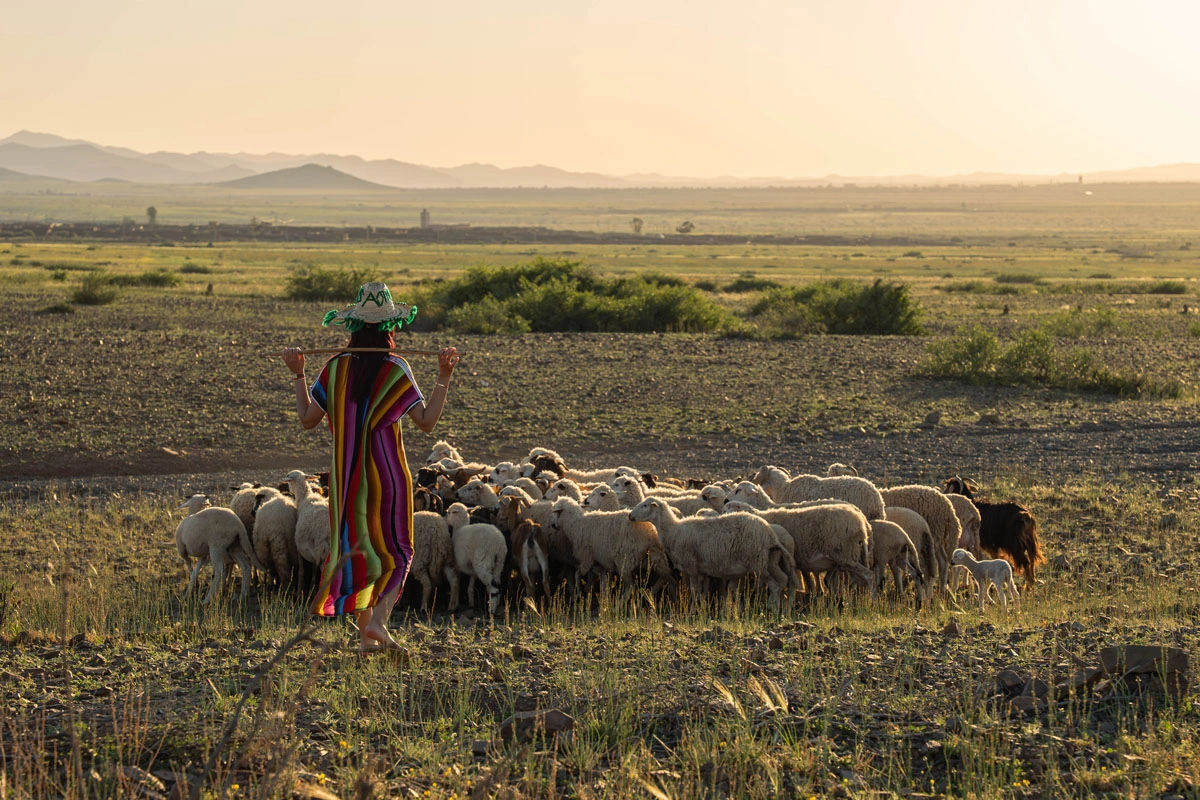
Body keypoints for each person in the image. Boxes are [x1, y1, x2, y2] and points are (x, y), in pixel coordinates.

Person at [280, 282, 459, 652]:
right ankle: (376, 623)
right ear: (390, 329)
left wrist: (298, 372)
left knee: (358, 550)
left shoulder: (334, 369)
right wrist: (443, 376)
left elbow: (307, 418)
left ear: (353, 327)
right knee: (398, 551)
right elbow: (426, 422)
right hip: (389, 477)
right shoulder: (395, 368)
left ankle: (366, 638)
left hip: (347, 481)